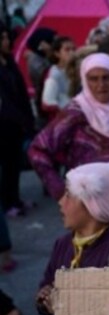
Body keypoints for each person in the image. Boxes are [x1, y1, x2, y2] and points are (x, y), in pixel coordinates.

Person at [28, 53, 109, 209]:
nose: (101, 85)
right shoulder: (76, 112)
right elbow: (37, 150)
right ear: (84, 80)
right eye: (93, 79)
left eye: (107, 77)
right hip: (93, 208)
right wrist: (62, 192)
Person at [34, 162, 109, 315]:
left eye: (68, 195)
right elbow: (48, 282)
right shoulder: (63, 244)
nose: (61, 202)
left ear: (94, 206)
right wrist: (45, 298)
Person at [0, 23, 36, 217]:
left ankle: (15, 198)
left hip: (17, 123)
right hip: (5, 126)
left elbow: (20, 92)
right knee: (7, 164)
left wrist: (26, 118)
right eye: (3, 38)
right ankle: (7, 202)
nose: (7, 41)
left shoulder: (10, 62)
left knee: (14, 164)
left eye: (7, 37)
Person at [41, 36, 76, 116]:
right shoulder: (54, 75)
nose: (72, 53)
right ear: (57, 54)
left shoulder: (75, 69)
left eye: (73, 49)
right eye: (67, 50)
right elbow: (47, 103)